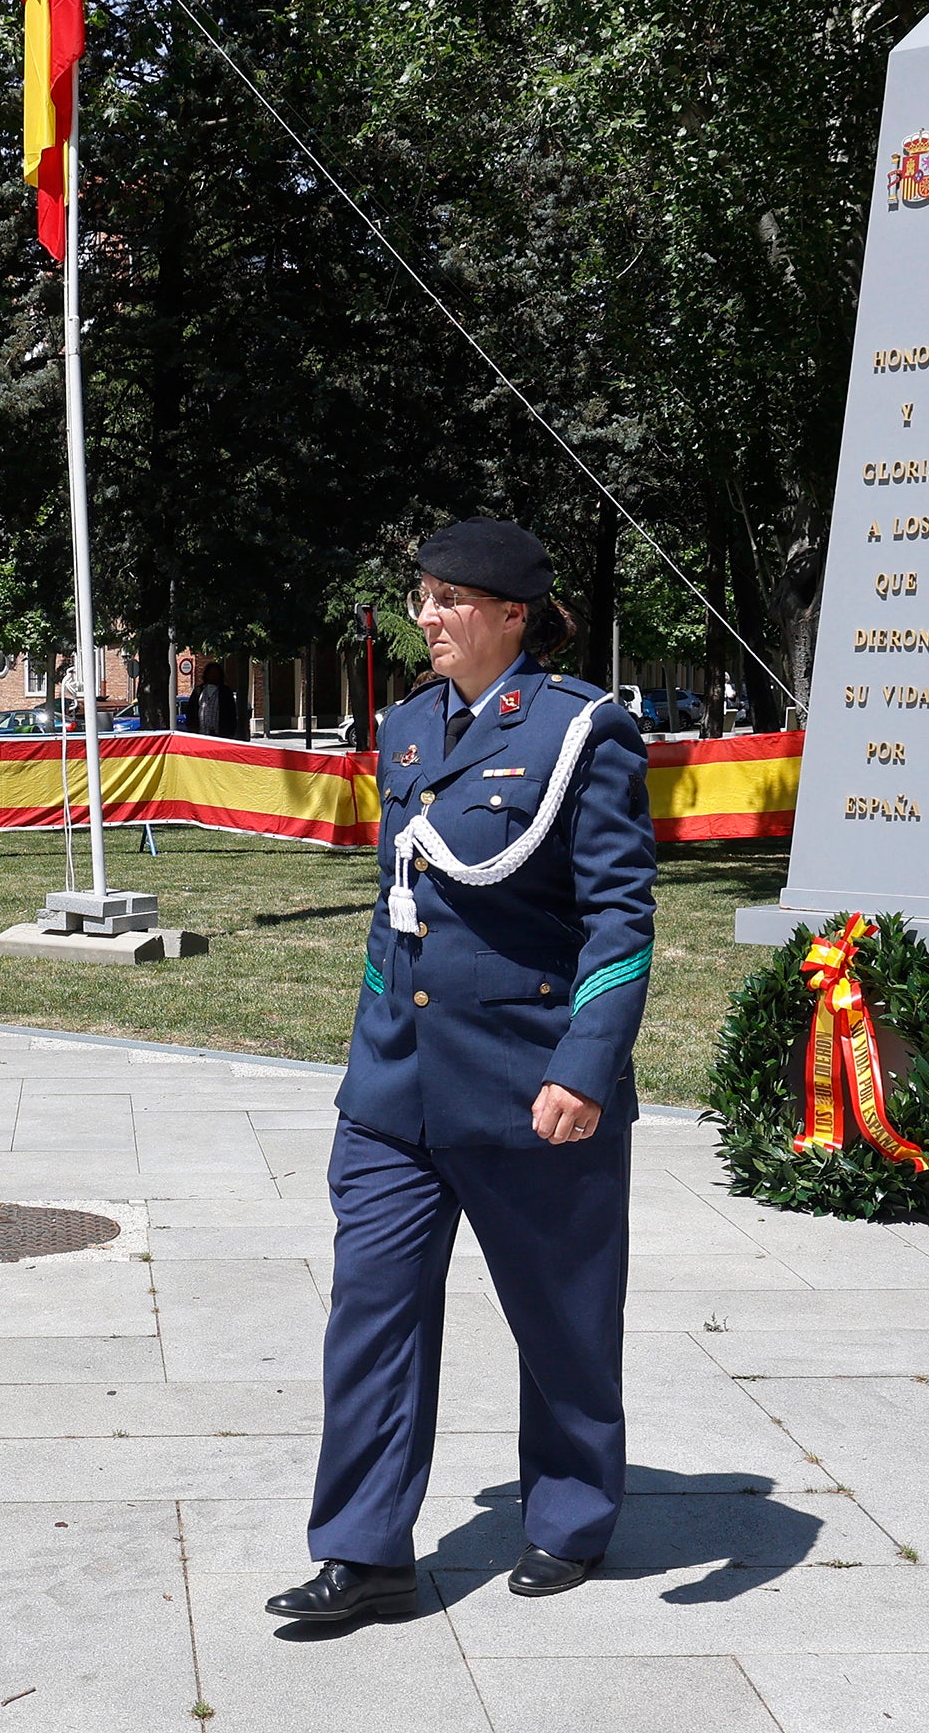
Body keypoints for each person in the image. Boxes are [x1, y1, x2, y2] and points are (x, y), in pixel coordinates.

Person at [266, 517, 655, 1625]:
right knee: (371, 1312)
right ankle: (366, 1548)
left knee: (562, 1318)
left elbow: (619, 918)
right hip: (397, 1088)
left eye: (445, 600)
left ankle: (572, 1514)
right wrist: (367, 1055)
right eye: (421, 597)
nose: (423, 618)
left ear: (509, 615)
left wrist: (584, 1066)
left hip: (531, 1082)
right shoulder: (405, 726)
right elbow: (404, 915)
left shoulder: (584, 731)